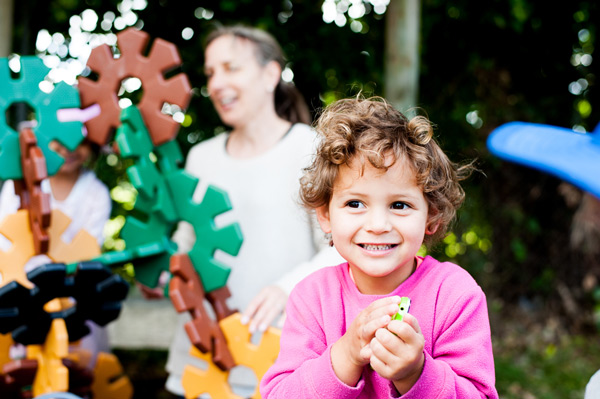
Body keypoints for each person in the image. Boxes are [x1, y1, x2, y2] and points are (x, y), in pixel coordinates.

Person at [261, 97, 499, 398]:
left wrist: (416, 374)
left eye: (399, 205)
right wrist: (345, 355)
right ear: (325, 216)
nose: (377, 224)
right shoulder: (312, 299)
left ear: (432, 215)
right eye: (355, 203)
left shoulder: (454, 295)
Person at [163, 25, 342, 397]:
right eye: (210, 73)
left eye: (230, 67)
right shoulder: (201, 157)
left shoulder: (310, 150)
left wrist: (285, 288)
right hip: (203, 356)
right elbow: (187, 243)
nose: (215, 83)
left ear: (270, 74)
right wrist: (167, 275)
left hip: (283, 356)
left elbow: (339, 246)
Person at [0, 113, 112, 366]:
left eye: (79, 142)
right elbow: (5, 241)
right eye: (59, 140)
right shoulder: (18, 186)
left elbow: (89, 249)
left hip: (72, 297)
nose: (68, 149)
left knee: (74, 364)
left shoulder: (96, 193)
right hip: (19, 291)